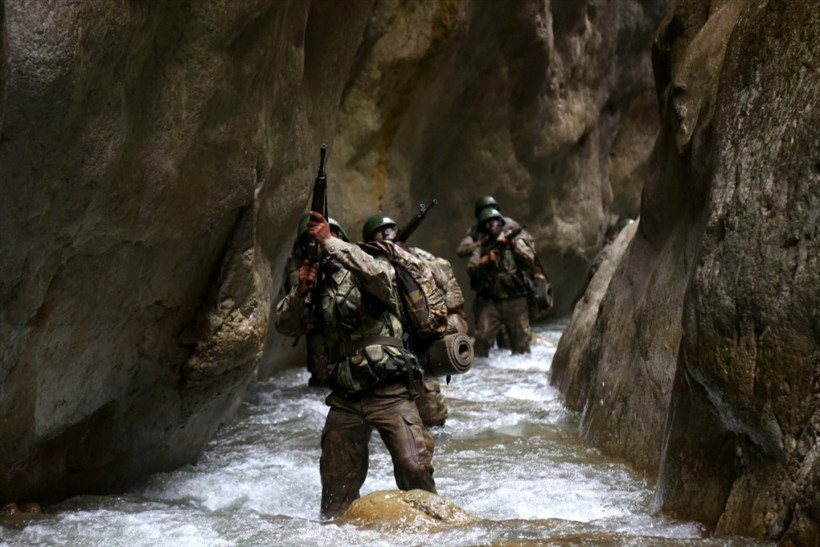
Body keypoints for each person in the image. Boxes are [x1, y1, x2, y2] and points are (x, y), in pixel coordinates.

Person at [275, 212, 436, 519]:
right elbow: (286, 325)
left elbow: (380, 277)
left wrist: (331, 243)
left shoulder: (368, 264)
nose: (320, 245)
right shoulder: (316, 286)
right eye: (313, 242)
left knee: (414, 468)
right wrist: (301, 290)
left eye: (325, 237)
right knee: (336, 490)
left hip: (390, 391)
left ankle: (436, 528)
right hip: (346, 398)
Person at [361, 214, 467, 428]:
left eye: (392, 232)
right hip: (384, 350)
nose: (388, 237)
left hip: (419, 343)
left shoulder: (417, 257)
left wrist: (407, 259)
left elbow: (443, 274)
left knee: (433, 417)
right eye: (381, 235)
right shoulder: (367, 266)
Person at [281, 213, 351, 387]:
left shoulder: (356, 261)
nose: (323, 244)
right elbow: (291, 318)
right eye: (315, 240)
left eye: (329, 237)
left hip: (353, 337)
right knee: (321, 377)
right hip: (320, 328)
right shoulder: (301, 267)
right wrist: (304, 286)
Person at [467, 207, 536, 356]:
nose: (492, 226)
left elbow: (530, 258)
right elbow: (471, 267)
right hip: (491, 302)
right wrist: (485, 260)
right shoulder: (482, 246)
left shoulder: (514, 241)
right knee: (481, 340)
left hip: (516, 300)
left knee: (521, 347)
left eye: (495, 222)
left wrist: (512, 245)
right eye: (488, 224)